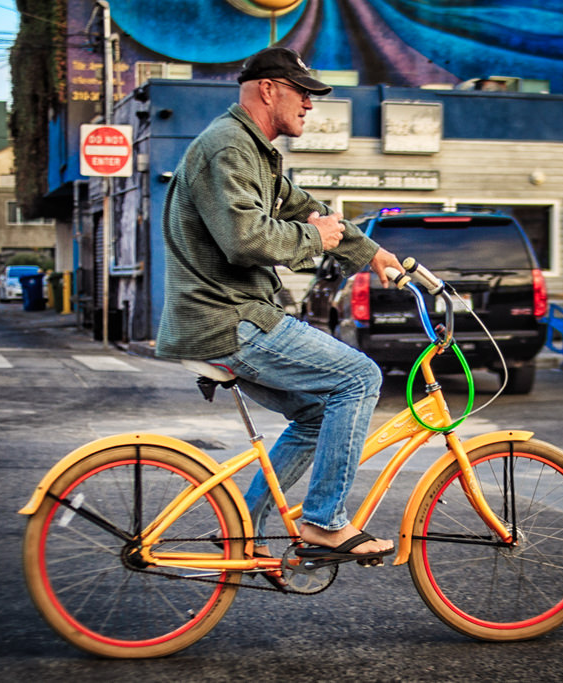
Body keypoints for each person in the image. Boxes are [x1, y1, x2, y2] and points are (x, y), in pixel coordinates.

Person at [155, 47, 401, 572]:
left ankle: (244, 530)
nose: (311, 105)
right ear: (269, 89)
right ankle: (325, 522)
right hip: (230, 318)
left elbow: (306, 206)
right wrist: (313, 238)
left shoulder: (252, 152)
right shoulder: (228, 148)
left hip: (229, 315)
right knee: (359, 377)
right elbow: (245, 240)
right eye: (304, 92)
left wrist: (373, 253)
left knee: (315, 414)